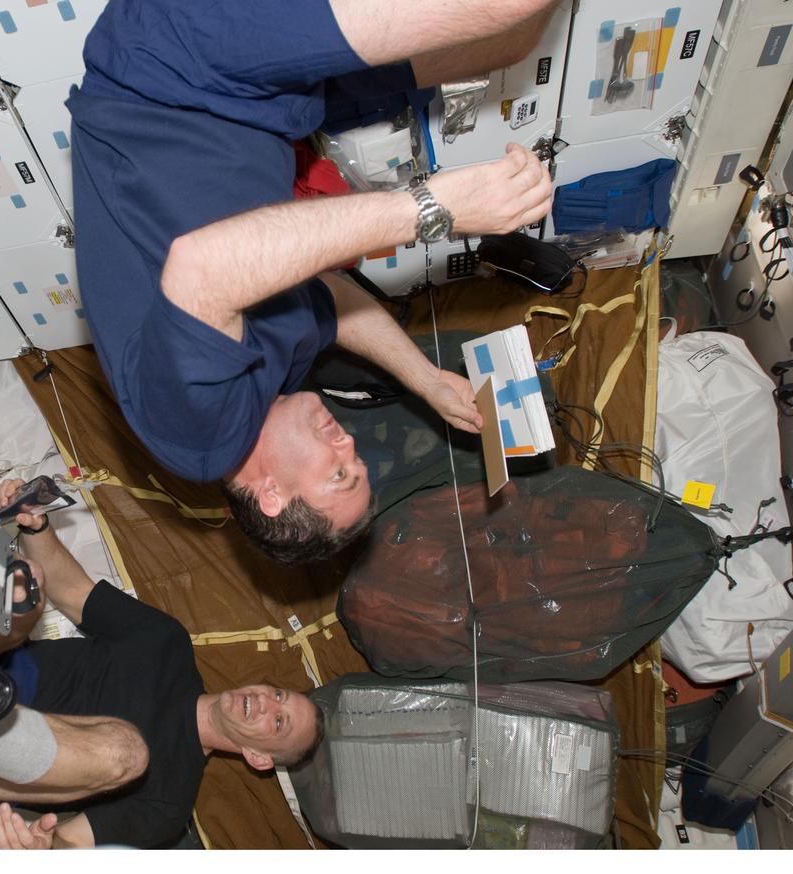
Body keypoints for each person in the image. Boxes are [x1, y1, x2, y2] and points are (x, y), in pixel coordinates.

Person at [67, 0, 559, 564]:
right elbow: (328, 292)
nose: (349, 443)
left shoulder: (197, 436)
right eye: (359, 464)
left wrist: (430, 207)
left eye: (340, 475)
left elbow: (203, 267)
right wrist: (425, 379)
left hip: (171, 75)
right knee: (508, 42)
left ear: (272, 495)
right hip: (263, 107)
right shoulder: (277, 385)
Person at [0, 478, 325, 849]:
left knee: (126, 753)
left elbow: (72, 844)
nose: (268, 702)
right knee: (28, 586)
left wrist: (43, 847)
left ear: (258, 757)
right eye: (280, 694)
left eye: (279, 722)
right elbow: (71, 589)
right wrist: (36, 525)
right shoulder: (167, 644)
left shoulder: (168, 805)